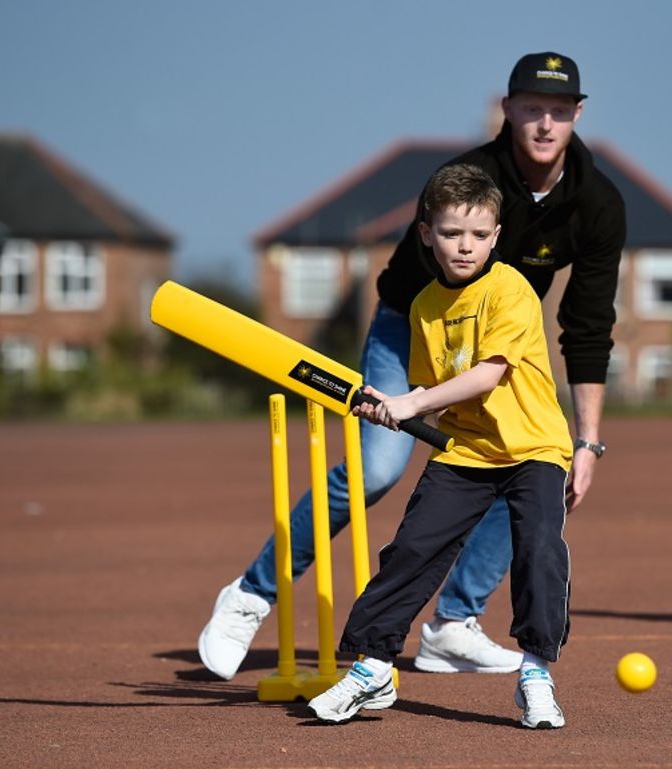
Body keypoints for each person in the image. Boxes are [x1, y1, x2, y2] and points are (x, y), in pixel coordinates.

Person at [198, 51, 624, 680]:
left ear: (577, 115)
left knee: (534, 461)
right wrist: (426, 397)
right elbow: (434, 290)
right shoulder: (466, 178)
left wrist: (586, 441)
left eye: (558, 112)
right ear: (507, 110)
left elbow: (588, 326)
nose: (544, 124)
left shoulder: (598, 202)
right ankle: (252, 593)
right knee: (377, 468)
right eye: (532, 108)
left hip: (499, 345)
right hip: (415, 326)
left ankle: (453, 624)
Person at [308, 163, 573, 728]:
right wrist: (392, 406)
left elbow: (486, 374)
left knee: (539, 552)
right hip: (465, 449)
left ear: (497, 236)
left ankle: (535, 675)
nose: (465, 246)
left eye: (479, 235)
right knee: (410, 549)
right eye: (452, 233)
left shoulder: (511, 290)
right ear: (426, 232)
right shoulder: (426, 305)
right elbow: (440, 391)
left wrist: (409, 403)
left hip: (534, 447)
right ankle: (372, 666)